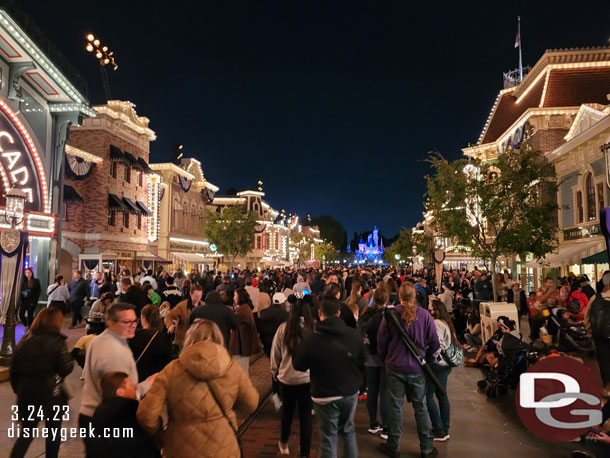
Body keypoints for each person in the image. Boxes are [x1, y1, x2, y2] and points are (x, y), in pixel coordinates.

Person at [137, 319, 259, 458]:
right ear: (219, 339)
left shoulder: (171, 370)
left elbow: (146, 416)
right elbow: (251, 404)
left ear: (189, 339)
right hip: (224, 447)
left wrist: (161, 432)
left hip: (181, 449)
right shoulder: (231, 368)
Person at [79, 303, 156, 456]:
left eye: (134, 321)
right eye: (127, 322)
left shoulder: (101, 340)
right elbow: (120, 396)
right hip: (107, 422)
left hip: (91, 416)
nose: (133, 325)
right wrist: (148, 384)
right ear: (111, 322)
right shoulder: (114, 353)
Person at [293, 297, 365, 458]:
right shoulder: (353, 335)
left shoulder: (312, 339)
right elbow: (363, 360)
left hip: (324, 394)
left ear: (319, 313)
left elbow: (298, 365)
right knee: (348, 431)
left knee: (328, 437)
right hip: (349, 392)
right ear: (339, 313)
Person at [377, 282, 440, 458]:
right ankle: (426, 448)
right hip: (417, 368)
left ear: (399, 295)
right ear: (415, 296)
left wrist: (385, 358)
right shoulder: (425, 315)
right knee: (421, 407)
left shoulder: (390, 314)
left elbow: (381, 341)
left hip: (395, 366)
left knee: (395, 407)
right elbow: (434, 343)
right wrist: (426, 361)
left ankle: (394, 445)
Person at [10, 308, 73, 458]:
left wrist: (20, 390)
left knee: (26, 434)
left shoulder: (24, 342)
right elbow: (66, 368)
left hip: (26, 394)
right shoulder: (58, 342)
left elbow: (14, 373)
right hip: (51, 395)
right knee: (53, 433)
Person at [271, 297, 314, 456]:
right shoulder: (313, 328)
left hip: (286, 378)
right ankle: (304, 453)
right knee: (305, 417)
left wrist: (274, 370)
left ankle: (284, 443)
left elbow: (275, 352)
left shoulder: (284, 328)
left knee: (287, 413)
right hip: (307, 379)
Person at [91, 372, 160, 458]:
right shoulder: (129, 412)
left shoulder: (99, 414)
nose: (134, 387)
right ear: (120, 392)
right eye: (131, 385)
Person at [357, 282, 390, 439]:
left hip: (369, 358)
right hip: (385, 359)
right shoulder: (388, 315)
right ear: (386, 300)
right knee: (384, 393)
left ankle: (373, 423)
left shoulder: (365, 314)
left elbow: (359, 333)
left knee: (372, 391)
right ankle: (386, 427)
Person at [426, 299, 459, 442]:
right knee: (442, 395)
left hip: (437, 365)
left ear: (435, 310)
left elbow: (437, 344)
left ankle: (439, 430)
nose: (427, 309)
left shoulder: (437, 323)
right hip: (446, 365)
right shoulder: (446, 322)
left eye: (430, 307)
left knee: (427, 397)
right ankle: (445, 429)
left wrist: (429, 358)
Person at [129, 304, 172, 380]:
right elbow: (168, 360)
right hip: (156, 380)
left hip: (138, 378)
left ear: (143, 317)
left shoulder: (134, 336)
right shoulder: (163, 338)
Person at [586, 272, 610, 398]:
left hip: (600, 335)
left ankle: (608, 388)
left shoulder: (596, 297)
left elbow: (587, 316)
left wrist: (589, 330)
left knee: (604, 361)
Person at [230, 288, 260, 375]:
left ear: (240, 297)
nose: (234, 297)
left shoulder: (242, 310)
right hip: (242, 345)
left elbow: (232, 322)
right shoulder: (244, 308)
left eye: (235, 295)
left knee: (240, 372)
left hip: (241, 346)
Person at [165, 284, 203, 348]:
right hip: (183, 341)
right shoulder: (182, 306)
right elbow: (169, 316)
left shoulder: (203, 305)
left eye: (200, 296)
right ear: (191, 294)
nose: (198, 299)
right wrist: (170, 325)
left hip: (197, 341)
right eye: (196, 296)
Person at [258, 291, 289, 357]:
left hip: (267, 343)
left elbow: (260, 329)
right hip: (280, 344)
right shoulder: (286, 315)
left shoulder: (263, 313)